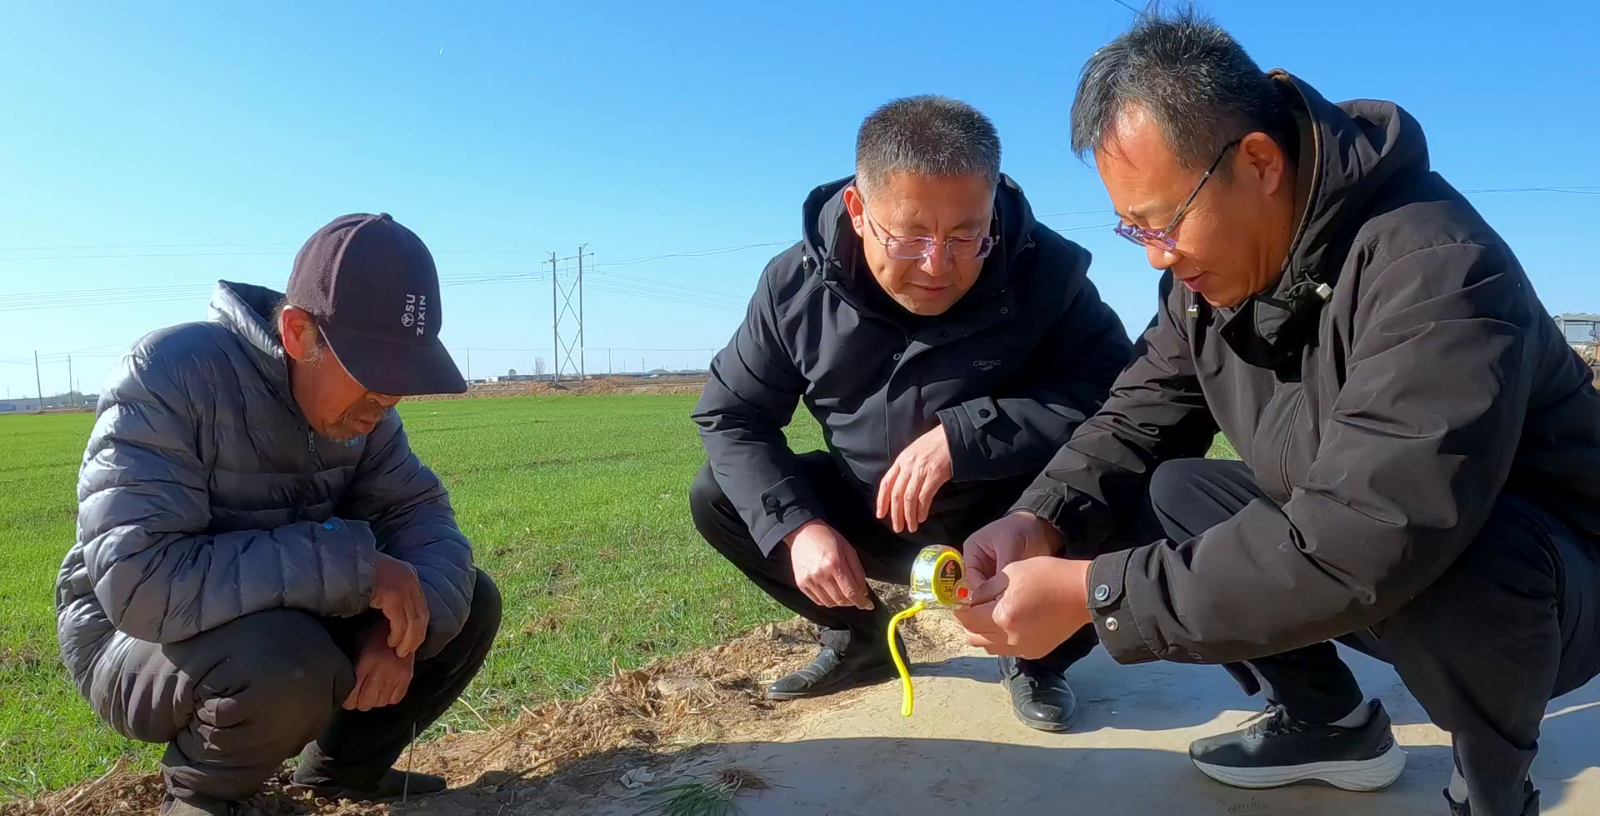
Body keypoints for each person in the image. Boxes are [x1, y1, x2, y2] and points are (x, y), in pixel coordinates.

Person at [953, 11, 1600, 816]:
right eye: (1134, 229)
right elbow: (1132, 419)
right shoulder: (1206, 284)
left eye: (1164, 221)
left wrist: (1097, 595)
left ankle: (1494, 785)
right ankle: (1329, 723)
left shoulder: (1437, 268)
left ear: (1258, 162)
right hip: (1374, 552)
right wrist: (1038, 519)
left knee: (1460, 547)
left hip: (1548, 590)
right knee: (1180, 488)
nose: (1156, 255)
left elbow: (1375, 530)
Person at [689, 96, 1134, 732]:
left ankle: (1038, 654)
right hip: (876, 512)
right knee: (720, 495)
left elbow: (1120, 398)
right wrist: (798, 529)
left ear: (992, 208)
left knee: (1125, 486)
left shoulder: (1048, 272)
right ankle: (860, 638)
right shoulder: (795, 287)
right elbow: (731, 414)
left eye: (966, 236)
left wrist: (965, 437)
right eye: (911, 236)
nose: (937, 265)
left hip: (1014, 517)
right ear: (858, 210)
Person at [54, 213, 502, 816]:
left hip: (280, 618)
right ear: (297, 332)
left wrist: (396, 633)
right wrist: (362, 570)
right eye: (372, 374)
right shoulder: (169, 375)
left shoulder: (366, 417)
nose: (387, 400)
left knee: (464, 600)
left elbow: (422, 516)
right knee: (287, 659)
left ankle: (344, 773)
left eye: (400, 378)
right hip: (134, 639)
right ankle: (201, 798)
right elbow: (142, 581)